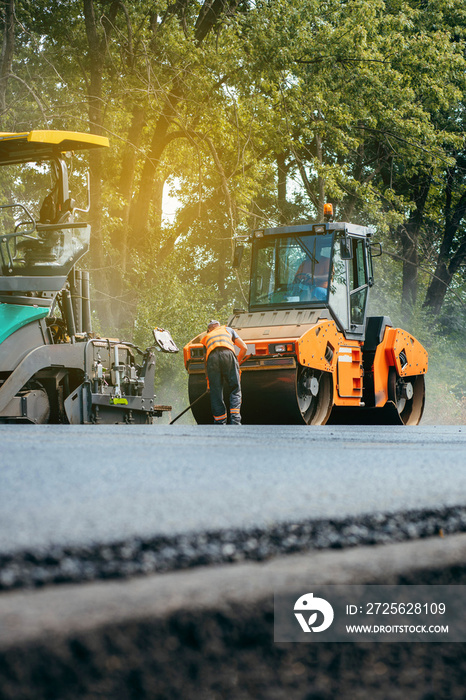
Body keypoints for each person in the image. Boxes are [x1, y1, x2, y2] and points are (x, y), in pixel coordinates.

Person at [201, 319, 248, 425]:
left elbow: (205, 361)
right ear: (219, 325)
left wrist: (208, 381)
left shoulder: (207, 337)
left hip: (212, 359)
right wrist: (236, 363)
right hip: (228, 354)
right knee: (235, 389)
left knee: (215, 392)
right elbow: (244, 348)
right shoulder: (228, 330)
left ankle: (219, 421)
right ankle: (235, 420)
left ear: (209, 330)